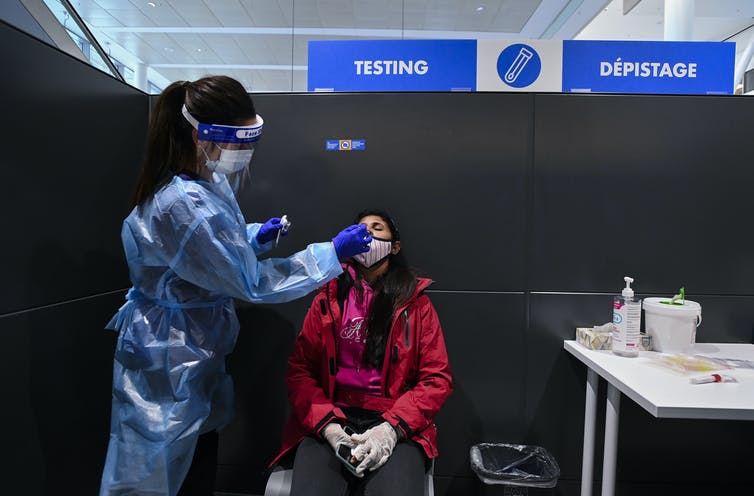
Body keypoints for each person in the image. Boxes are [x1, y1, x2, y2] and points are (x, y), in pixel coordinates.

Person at [99, 75, 371, 496]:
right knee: (151, 478)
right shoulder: (181, 204)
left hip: (191, 353)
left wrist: (252, 238)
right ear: (200, 134)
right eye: (238, 139)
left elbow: (207, 256)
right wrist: (331, 254)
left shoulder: (208, 183)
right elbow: (249, 282)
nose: (244, 151)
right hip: (166, 358)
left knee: (195, 461)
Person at [270, 209, 453, 496]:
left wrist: (390, 431)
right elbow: (300, 371)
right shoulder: (327, 298)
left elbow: (436, 380)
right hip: (332, 418)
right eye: (360, 228)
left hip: (395, 422)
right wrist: (329, 428)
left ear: (395, 246)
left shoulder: (416, 305)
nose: (367, 233)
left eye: (377, 227)